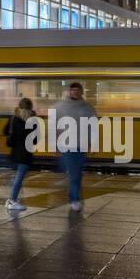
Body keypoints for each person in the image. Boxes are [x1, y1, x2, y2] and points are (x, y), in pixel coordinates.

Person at [53, 82, 95, 211]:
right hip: (66, 145)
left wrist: (92, 143)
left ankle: (75, 196)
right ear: (69, 92)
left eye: (77, 90)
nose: (75, 92)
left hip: (81, 145)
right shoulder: (60, 107)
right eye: (73, 90)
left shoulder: (87, 107)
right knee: (74, 174)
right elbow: (55, 126)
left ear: (81, 92)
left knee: (77, 173)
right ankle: (74, 199)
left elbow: (92, 126)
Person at [3, 97, 36, 211]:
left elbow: (4, 131)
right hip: (25, 153)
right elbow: (35, 139)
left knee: (17, 177)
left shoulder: (13, 118)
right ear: (30, 107)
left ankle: (11, 199)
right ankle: (12, 200)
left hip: (14, 152)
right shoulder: (32, 120)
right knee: (19, 177)